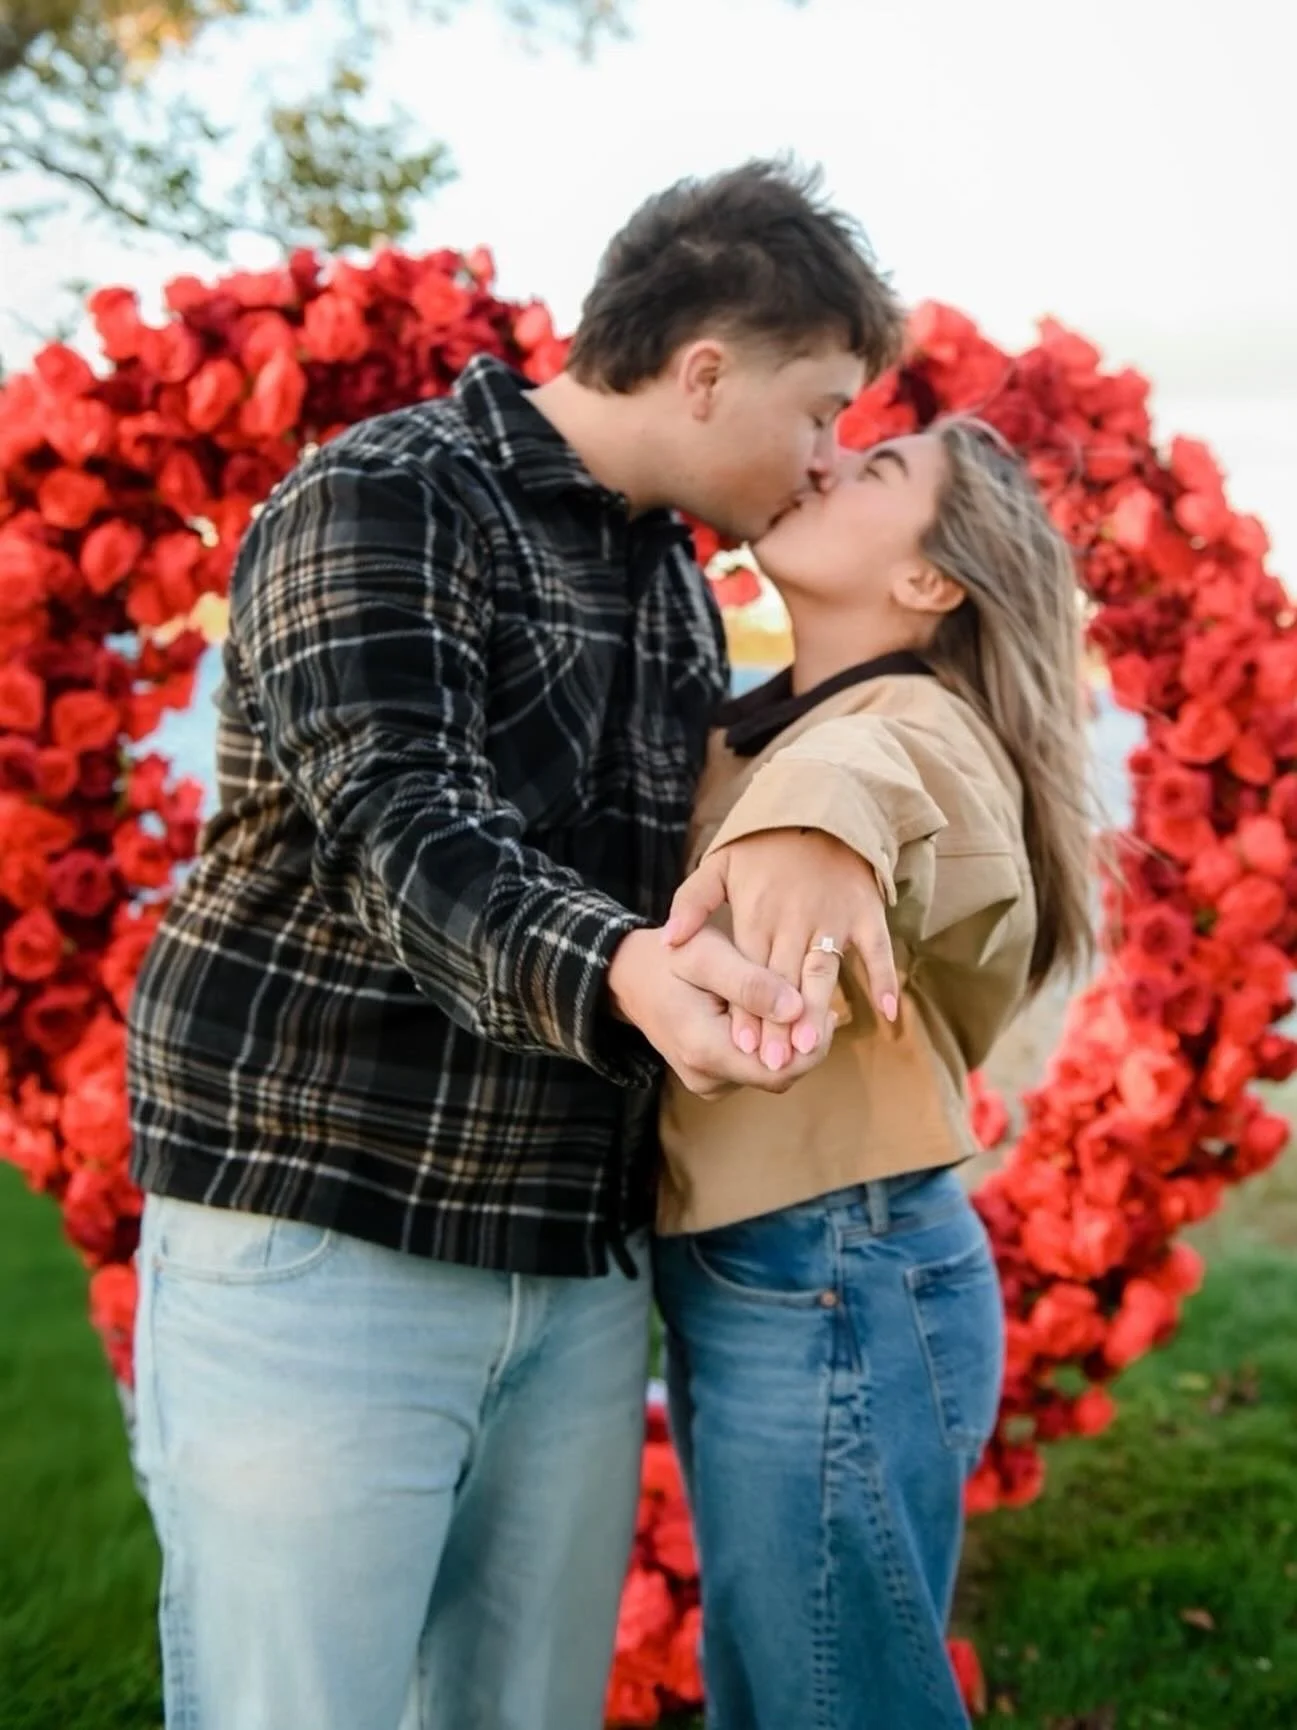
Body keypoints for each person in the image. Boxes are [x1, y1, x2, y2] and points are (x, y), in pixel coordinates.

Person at [125, 160, 906, 1730]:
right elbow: (403, 827)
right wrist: (625, 970)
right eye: (820, 407)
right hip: (324, 1238)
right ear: (704, 371)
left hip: (570, 1271)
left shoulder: (678, 589)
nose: (831, 455)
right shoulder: (383, 493)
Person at [656, 419, 1095, 1730]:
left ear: (929, 583)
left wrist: (810, 824)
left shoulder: (917, 722)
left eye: (880, 472)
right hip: (790, 1273)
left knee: (830, 1702)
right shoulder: (756, 720)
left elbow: (890, 771)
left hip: (837, 1271)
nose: (831, 463)